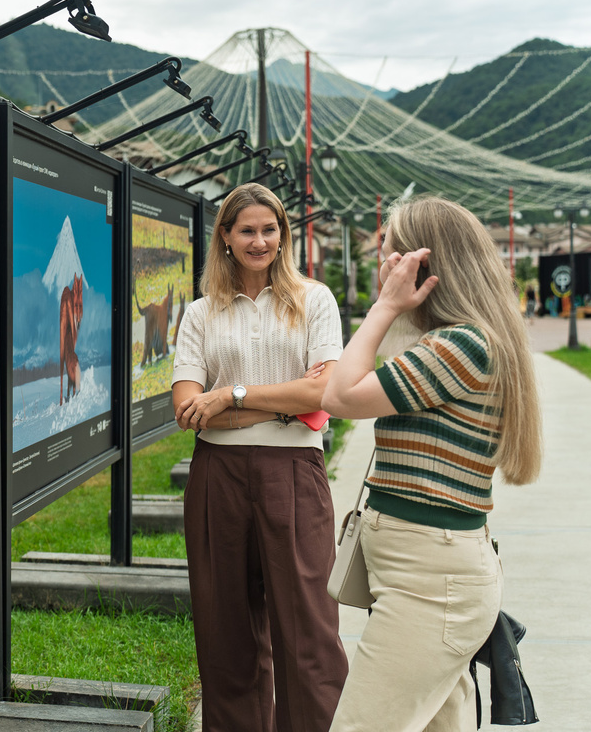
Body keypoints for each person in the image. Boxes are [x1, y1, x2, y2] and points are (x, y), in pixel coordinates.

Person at [322, 195, 542, 731]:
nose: (383, 265)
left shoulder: (462, 347)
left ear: (425, 264)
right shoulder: (448, 339)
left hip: (431, 580)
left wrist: (384, 306)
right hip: (423, 571)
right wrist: (398, 308)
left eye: (390, 252)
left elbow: (340, 396)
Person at [171, 182, 347, 732]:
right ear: (224, 236)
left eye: (270, 230)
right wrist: (283, 404)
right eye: (246, 230)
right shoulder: (200, 314)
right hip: (216, 476)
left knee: (310, 637)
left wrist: (231, 396)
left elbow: (322, 396)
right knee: (226, 637)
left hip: (294, 474)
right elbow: (186, 410)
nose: (259, 240)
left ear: (283, 236)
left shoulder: (314, 301)